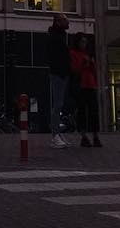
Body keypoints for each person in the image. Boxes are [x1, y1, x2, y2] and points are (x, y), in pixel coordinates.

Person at [70, 34, 102, 148]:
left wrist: (91, 63)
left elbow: (94, 70)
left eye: (85, 42)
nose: (84, 44)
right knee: (82, 112)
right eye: (82, 42)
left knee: (94, 111)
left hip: (91, 85)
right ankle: (84, 136)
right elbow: (74, 70)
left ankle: (95, 136)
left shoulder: (87, 54)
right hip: (81, 86)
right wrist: (84, 63)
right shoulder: (73, 53)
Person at [47, 13, 72, 148]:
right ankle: (55, 135)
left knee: (60, 104)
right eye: (64, 20)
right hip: (58, 73)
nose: (67, 22)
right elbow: (56, 56)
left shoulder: (61, 36)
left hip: (62, 73)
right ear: (57, 22)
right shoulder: (55, 37)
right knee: (57, 104)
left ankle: (57, 134)